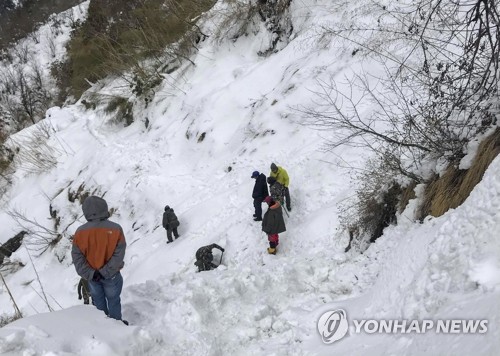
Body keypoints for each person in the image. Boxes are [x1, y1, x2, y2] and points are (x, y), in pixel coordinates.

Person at [71, 196, 127, 324]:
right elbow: (119, 254)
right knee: (113, 301)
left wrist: (91, 273)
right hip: (112, 275)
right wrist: (105, 271)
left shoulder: (80, 233)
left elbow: (77, 257)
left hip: (92, 278)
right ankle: (117, 327)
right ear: (104, 208)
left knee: (98, 304)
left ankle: (103, 329)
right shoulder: (116, 229)